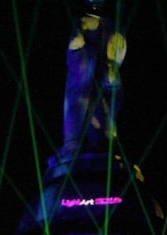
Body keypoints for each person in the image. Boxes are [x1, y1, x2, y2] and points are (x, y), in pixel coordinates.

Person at [62, 0, 127, 154]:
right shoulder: (82, 22)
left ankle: (105, 140)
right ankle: (77, 142)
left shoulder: (111, 26)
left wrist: (111, 68)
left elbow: (117, 54)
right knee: (80, 104)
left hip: (103, 83)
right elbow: (75, 51)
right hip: (84, 81)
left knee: (105, 109)